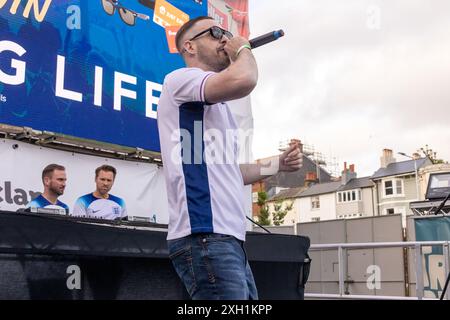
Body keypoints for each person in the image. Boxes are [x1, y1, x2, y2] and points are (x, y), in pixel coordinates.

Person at [157, 16, 302, 300]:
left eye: (227, 33)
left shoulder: (217, 109)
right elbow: (245, 78)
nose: (224, 38)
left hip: (225, 239)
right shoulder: (181, 79)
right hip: (205, 235)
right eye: (215, 33)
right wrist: (242, 49)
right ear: (189, 46)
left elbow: (231, 172)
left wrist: (278, 165)